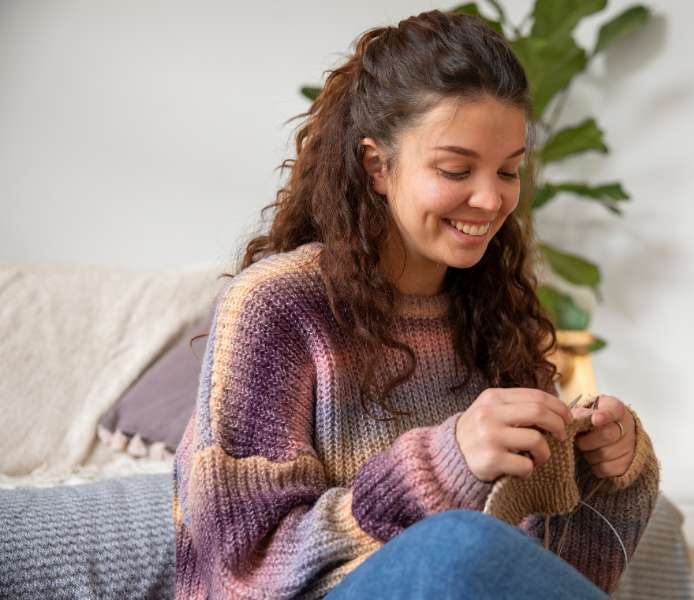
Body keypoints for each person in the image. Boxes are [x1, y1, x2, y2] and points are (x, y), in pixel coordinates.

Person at [172, 9, 660, 600]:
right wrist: (444, 465)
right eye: (456, 169)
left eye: (509, 171)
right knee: (459, 540)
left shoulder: (497, 312)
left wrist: (606, 474)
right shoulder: (275, 307)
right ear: (377, 166)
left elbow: (546, 572)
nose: (491, 199)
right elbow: (243, 565)